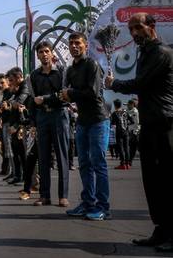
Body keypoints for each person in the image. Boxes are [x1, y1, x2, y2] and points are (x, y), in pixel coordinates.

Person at [105, 13, 173, 251]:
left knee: (167, 180)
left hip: (165, 124)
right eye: (131, 29)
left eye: (138, 27)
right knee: (152, 182)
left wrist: (114, 84)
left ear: (151, 26)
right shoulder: (144, 52)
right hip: (150, 124)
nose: (134, 33)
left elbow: (140, 83)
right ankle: (161, 229)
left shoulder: (162, 53)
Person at [62, 32, 110, 221]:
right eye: (71, 43)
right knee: (84, 164)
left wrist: (70, 93)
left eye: (78, 43)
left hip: (98, 119)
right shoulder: (70, 70)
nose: (74, 46)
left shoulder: (92, 65)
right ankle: (88, 203)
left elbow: (93, 92)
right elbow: (65, 92)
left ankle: (103, 207)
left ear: (86, 45)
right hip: (82, 121)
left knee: (98, 163)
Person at [28, 41, 69, 208]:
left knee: (62, 156)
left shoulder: (62, 71)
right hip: (42, 117)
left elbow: (64, 95)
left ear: (52, 53)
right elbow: (32, 100)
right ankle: (44, 196)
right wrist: (33, 123)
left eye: (47, 51)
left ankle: (63, 196)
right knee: (43, 157)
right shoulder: (34, 75)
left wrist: (45, 98)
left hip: (59, 115)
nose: (44, 54)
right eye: (41, 52)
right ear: (37, 55)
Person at [6, 67, 30, 186]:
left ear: (19, 77)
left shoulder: (25, 87)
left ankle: (26, 179)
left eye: (11, 80)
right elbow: (12, 102)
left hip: (22, 124)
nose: (10, 83)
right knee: (16, 153)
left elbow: (18, 104)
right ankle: (18, 176)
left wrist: (17, 126)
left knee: (23, 154)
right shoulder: (18, 89)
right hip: (16, 124)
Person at [109, 99, 132, 170]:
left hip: (119, 132)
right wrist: (126, 124)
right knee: (127, 147)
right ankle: (128, 164)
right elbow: (132, 121)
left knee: (121, 148)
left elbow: (112, 124)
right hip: (126, 131)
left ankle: (123, 164)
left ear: (115, 105)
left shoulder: (114, 113)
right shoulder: (125, 112)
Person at [126, 99, 140, 167]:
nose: (127, 106)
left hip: (134, 132)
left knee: (134, 147)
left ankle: (130, 160)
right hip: (130, 131)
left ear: (132, 105)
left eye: (128, 105)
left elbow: (137, 122)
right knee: (131, 147)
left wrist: (136, 132)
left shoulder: (135, 112)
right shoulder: (128, 111)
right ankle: (130, 161)